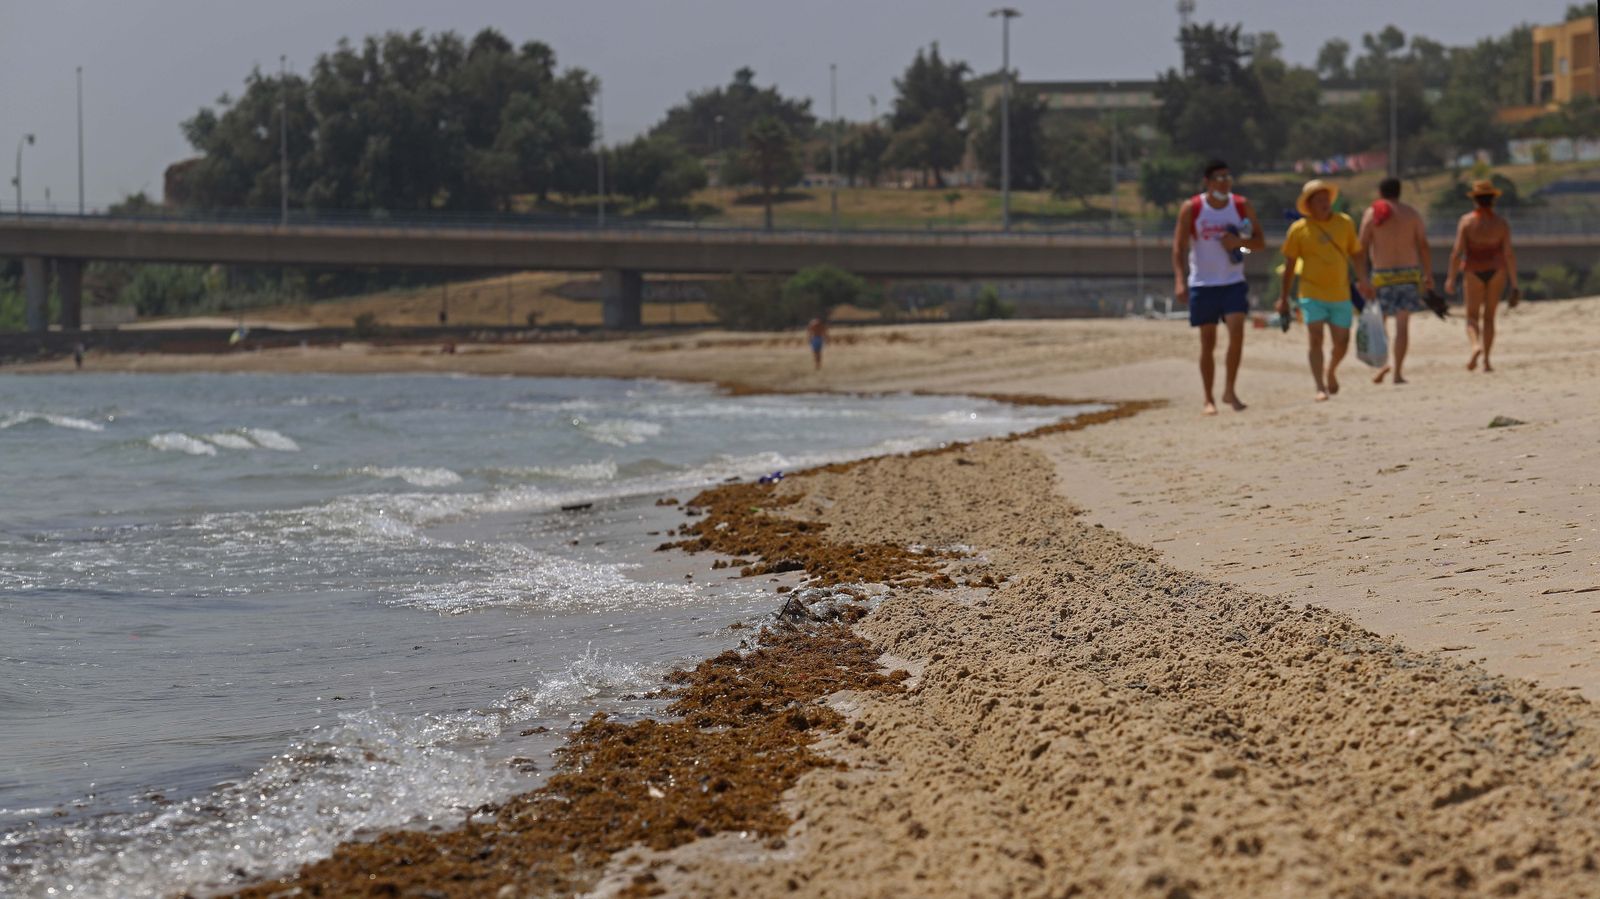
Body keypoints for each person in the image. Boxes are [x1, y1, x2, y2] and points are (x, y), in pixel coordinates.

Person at [1171, 159, 1266, 415]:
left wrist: (1239, 244)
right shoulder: (1192, 208)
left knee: (1237, 331)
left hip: (1233, 281)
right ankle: (1208, 398)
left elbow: (1258, 244)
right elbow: (1179, 247)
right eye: (1220, 178)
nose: (1225, 182)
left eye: (1228, 177)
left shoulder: (1241, 205)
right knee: (1208, 342)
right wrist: (1180, 280)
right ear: (1208, 182)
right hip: (1203, 283)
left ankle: (1230, 390)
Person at [1277, 179, 1373, 402]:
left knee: (1342, 342)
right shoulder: (1298, 230)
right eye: (1319, 200)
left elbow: (1357, 253)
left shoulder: (1344, 223)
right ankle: (1320, 386)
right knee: (1316, 338)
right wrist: (1283, 297)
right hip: (1311, 293)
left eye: (1326, 199)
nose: (1324, 203)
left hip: (1340, 293)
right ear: (1308, 205)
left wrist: (1363, 280)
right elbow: (1290, 266)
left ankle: (1331, 371)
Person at [1357, 177, 1433, 385]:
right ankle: (1398, 373)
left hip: (1382, 275)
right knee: (1402, 325)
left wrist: (1362, 278)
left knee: (1380, 325)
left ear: (1380, 192)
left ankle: (1382, 365)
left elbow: (1361, 248)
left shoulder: (1372, 214)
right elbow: (1423, 245)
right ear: (1399, 192)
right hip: (1408, 274)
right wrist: (1428, 274)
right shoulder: (1411, 214)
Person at [1445, 179, 1519, 372]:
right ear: (1493, 199)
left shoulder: (1467, 222)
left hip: (1473, 270)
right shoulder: (1501, 223)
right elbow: (1509, 254)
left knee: (1472, 316)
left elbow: (1457, 252)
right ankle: (1486, 360)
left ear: (1475, 200)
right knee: (1489, 317)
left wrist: (1451, 278)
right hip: (1497, 270)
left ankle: (1475, 346)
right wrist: (1514, 283)